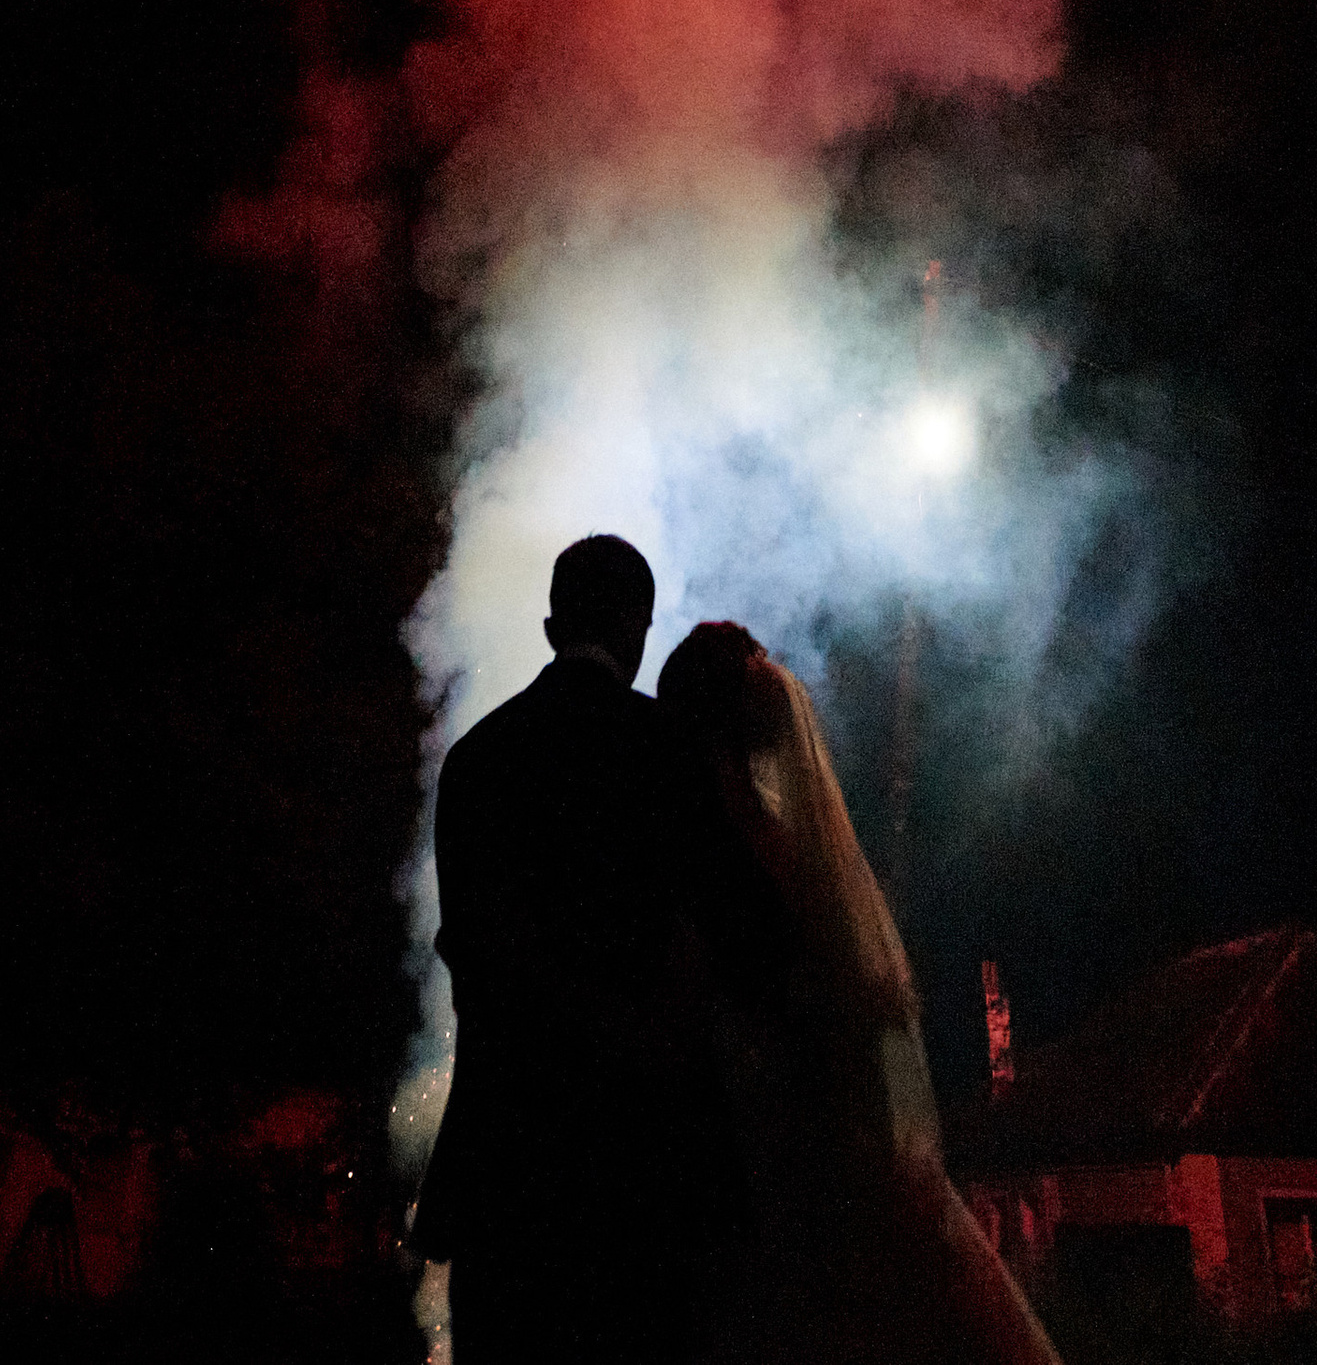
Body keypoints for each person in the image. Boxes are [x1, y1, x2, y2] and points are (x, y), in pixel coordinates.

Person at [657, 618, 1061, 1365]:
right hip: (831, 1147)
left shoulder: (691, 858)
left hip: (755, 1168)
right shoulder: (794, 849)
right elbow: (866, 990)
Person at [413, 537, 755, 1364]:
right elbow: (731, 942)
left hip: (508, 1171)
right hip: (648, 1172)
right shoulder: (670, 752)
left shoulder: (475, 761)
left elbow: (471, 954)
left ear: (548, 625)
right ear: (640, 629)